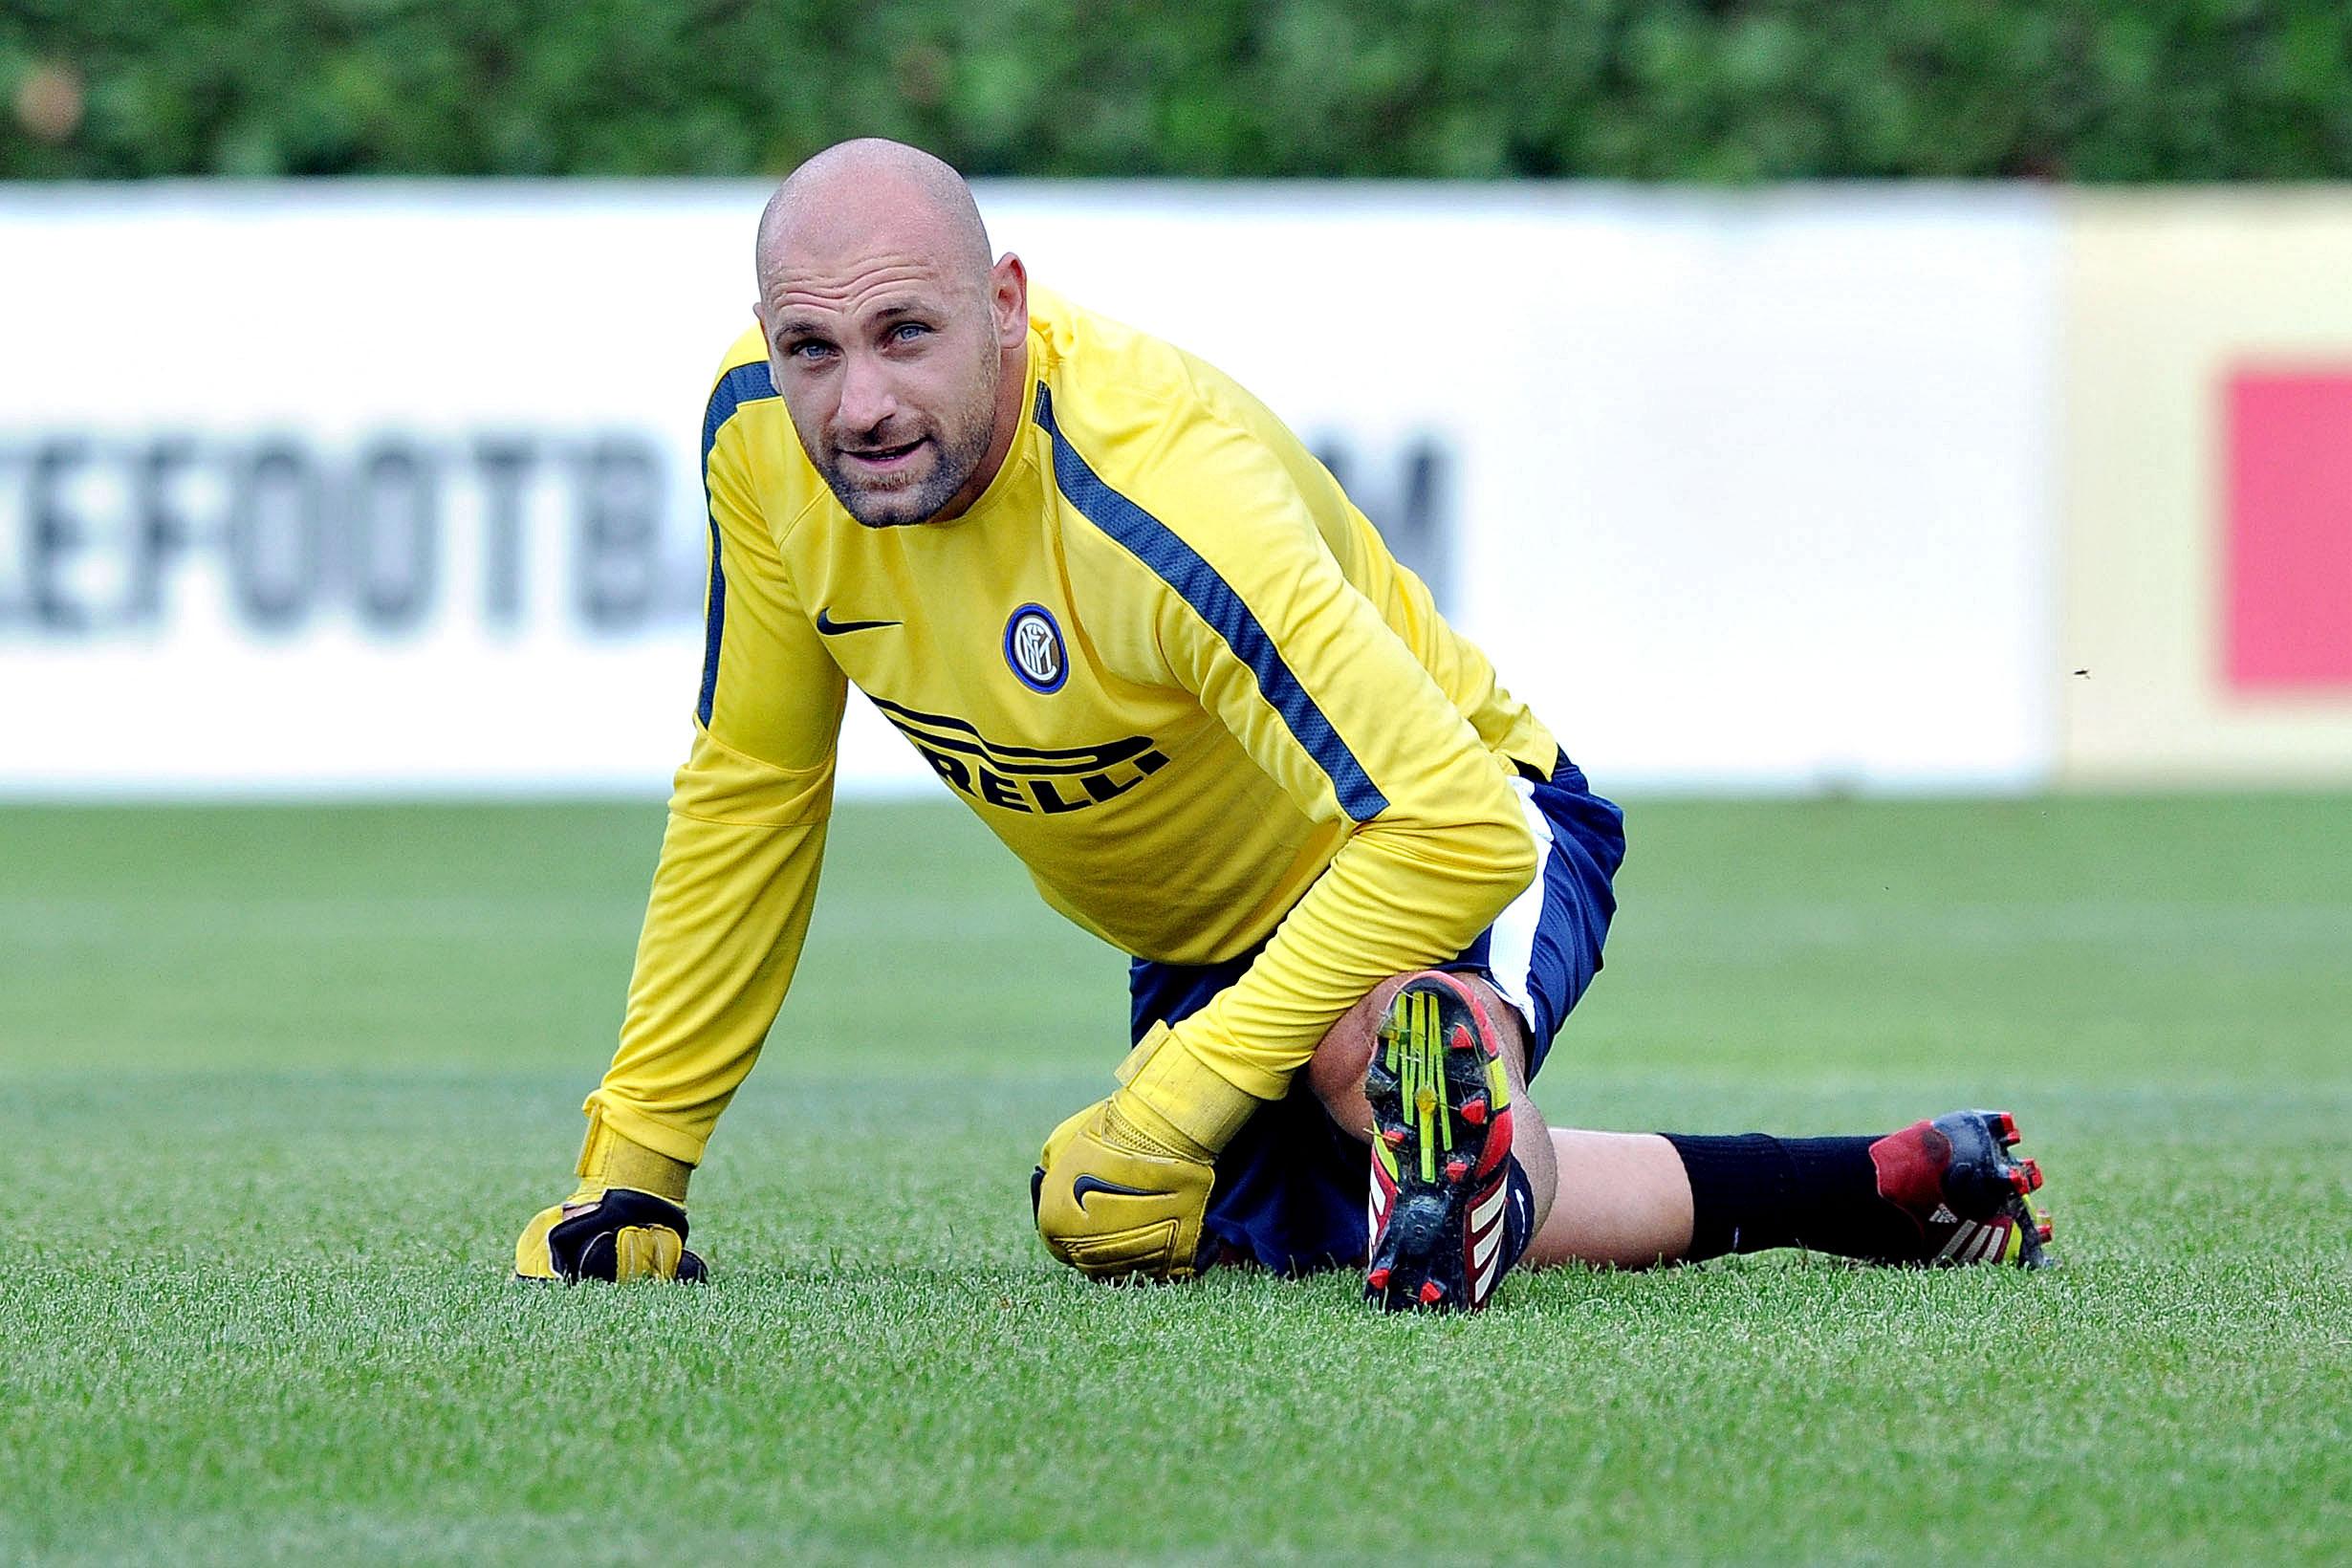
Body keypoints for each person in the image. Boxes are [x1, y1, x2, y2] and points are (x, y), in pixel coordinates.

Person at [514, 140, 2054, 1308]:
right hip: (1216, 938)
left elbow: (1444, 821)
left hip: (1462, 821)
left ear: (1004, 306)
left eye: (904, 334)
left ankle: (1437, 1093)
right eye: (811, 351)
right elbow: (753, 791)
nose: (854, 404)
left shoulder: (1164, 493)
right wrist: (636, 1175)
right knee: (1123, 1227)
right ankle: (1868, 1188)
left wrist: (1173, 1094)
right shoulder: (756, 445)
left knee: (1364, 1068)